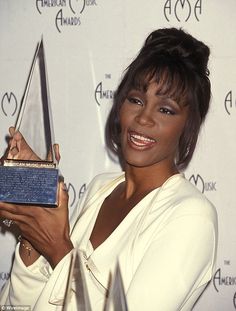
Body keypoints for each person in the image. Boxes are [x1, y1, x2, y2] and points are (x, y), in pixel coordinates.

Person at [0, 27, 218, 310]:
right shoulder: (100, 189)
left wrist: (57, 247)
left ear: (188, 126)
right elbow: (24, 304)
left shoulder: (191, 216)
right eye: (136, 100)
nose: (143, 118)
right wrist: (32, 226)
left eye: (165, 109)